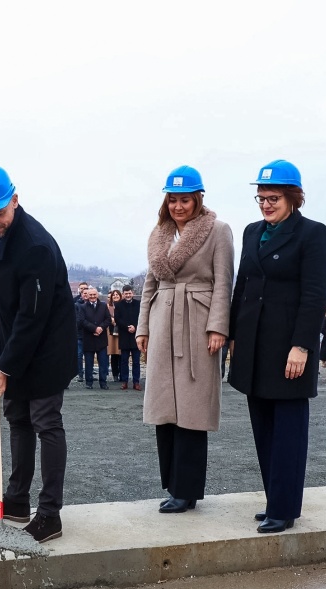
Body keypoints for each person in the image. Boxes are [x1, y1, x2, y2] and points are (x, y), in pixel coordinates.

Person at [0, 164, 77, 544]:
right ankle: (16, 500)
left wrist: (5, 368)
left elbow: (34, 316)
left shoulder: (34, 246)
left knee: (45, 421)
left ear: (15, 200)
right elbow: (8, 284)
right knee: (17, 417)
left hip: (47, 346)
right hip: (20, 338)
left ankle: (50, 515)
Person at [228, 159, 326, 534]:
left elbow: (315, 295)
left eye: (273, 198)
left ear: (292, 197)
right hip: (254, 345)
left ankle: (285, 509)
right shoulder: (252, 232)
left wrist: (302, 346)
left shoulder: (312, 234)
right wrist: (233, 334)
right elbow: (242, 286)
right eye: (261, 198)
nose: (265, 205)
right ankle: (275, 500)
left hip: (288, 348)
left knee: (288, 430)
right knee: (263, 427)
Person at [136, 166, 234, 515]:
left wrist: (218, 326)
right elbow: (150, 283)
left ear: (198, 199)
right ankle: (173, 485)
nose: (178, 206)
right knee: (164, 406)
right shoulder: (159, 234)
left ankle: (187, 490)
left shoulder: (218, 230)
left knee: (192, 408)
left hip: (197, 321)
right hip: (162, 320)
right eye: (173, 200)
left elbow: (224, 281)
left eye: (185, 200)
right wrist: (143, 327)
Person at [80, 287, 111, 390]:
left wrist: (101, 328)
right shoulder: (83, 307)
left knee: (103, 362)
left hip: (101, 339)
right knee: (89, 363)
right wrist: (94, 329)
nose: (92, 296)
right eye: (90, 295)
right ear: (87, 295)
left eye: (94, 294)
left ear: (97, 295)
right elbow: (82, 321)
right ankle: (89, 382)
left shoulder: (103, 305)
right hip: (89, 338)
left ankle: (103, 382)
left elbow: (108, 319)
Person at [115, 285, 141, 390]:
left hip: (136, 336)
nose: (128, 295)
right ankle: (124, 381)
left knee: (136, 361)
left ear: (132, 293)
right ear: (123, 294)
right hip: (124, 335)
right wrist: (127, 327)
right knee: (124, 361)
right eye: (126, 294)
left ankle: (136, 382)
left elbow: (141, 317)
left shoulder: (138, 304)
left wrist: (135, 327)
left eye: (129, 293)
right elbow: (117, 319)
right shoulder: (119, 305)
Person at [73, 284, 89, 382]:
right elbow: (77, 320)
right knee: (79, 355)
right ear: (81, 294)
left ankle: (88, 374)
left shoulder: (93, 304)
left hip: (90, 334)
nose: (86, 295)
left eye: (87, 293)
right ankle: (80, 374)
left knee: (89, 356)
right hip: (80, 334)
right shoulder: (76, 304)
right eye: (84, 293)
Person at [107, 289, 122, 381]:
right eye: (114, 295)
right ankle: (115, 374)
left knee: (122, 354)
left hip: (121, 333)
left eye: (117, 294)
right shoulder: (108, 307)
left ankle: (122, 374)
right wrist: (111, 320)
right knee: (114, 354)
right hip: (111, 333)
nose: (115, 296)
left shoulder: (123, 305)